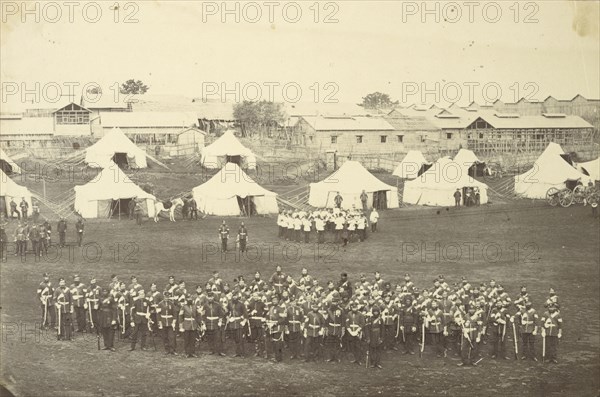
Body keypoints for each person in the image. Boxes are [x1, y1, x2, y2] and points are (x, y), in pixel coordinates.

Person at [157, 291, 178, 355]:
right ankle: (167, 349)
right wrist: (159, 322)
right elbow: (158, 314)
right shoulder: (160, 304)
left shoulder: (172, 304)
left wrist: (174, 321)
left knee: (172, 337)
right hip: (163, 322)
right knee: (165, 336)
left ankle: (173, 350)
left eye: (167, 296)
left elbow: (175, 313)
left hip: (170, 322)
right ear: (163, 296)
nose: (166, 298)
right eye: (165, 296)